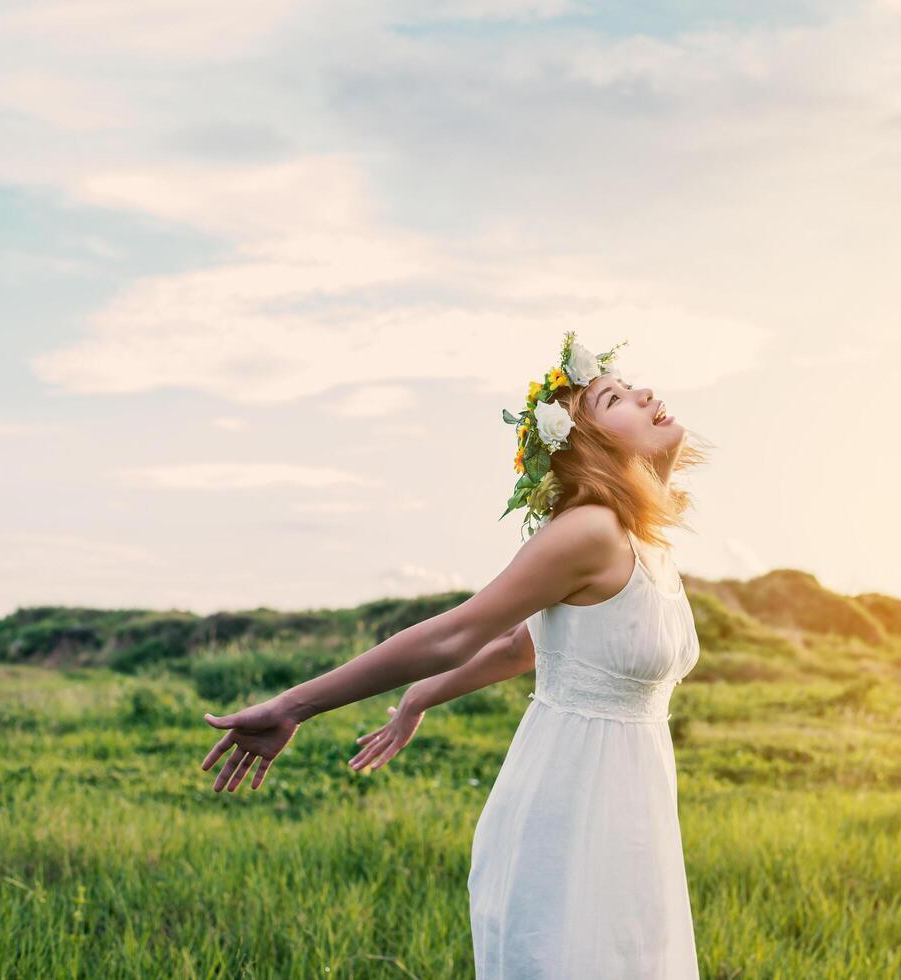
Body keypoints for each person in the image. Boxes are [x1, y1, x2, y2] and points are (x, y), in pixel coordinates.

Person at [199, 332, 710, 978]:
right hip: (570, 812)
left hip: (629, 817)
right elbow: (458, 632)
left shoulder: (644, 540)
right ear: (590, 446)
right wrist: (295, 705)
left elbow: (528, 645)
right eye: (614, 397)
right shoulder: (589, 531)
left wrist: (421, 696)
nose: (643, 393)